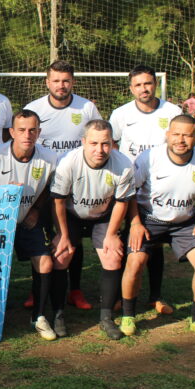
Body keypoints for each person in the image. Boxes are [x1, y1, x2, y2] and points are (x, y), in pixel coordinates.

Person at [121, 115, 195, 341]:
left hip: (185, 224)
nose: (181, 140)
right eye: (176, 134)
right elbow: (129, 192)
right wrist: (135, 223)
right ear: (167, 135)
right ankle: (128, 316)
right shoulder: (149, 158)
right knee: (135, 261)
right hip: (149, 220)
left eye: (187, 135)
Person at [24, 60, 102, 311]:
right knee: (42, 236)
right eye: (56, 80)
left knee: (73, 239)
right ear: (47, 82)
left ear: (73, 82)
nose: (61, 85)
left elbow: (98, 138)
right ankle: (36, 291)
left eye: (66, 80)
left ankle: (75, 290)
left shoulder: (87, 108)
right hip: (43, 184)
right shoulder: (34, 109)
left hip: (78, 185)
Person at [0, 110, 59, 340]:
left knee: (45, 263)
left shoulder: (49, 158)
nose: (27, 135)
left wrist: (36, 210)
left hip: (28, 218)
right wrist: (4, 194)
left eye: (32, 130)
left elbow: (48, 187)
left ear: (39, 132)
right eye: (21, 130)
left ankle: (39, 316)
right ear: (11, 132)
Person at [51, 120, 135, 340]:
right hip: (72, 215)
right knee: (61, 256)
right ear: (84, 142)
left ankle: (106, 318)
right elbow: (58, 202)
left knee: (113, 257)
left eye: (105, 144)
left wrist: (111, 235)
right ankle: (58, 314)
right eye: (94, 143)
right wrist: (63, 235)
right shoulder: (68, 162)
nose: (100, 150)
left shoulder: (124, 164)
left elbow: (121, 202)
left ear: (112, 143)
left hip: (103, 217)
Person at [108, 65, 183, 314]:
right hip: (127, 186)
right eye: (138, 85)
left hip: (159, 187)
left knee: (154, 242)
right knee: (124, 241)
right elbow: (114, 144)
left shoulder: (172, 111)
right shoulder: (120, 114)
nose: (144, 89)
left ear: (155, 84)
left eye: (148, 83)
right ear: (131, 88)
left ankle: (155, 296)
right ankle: (121, 295)